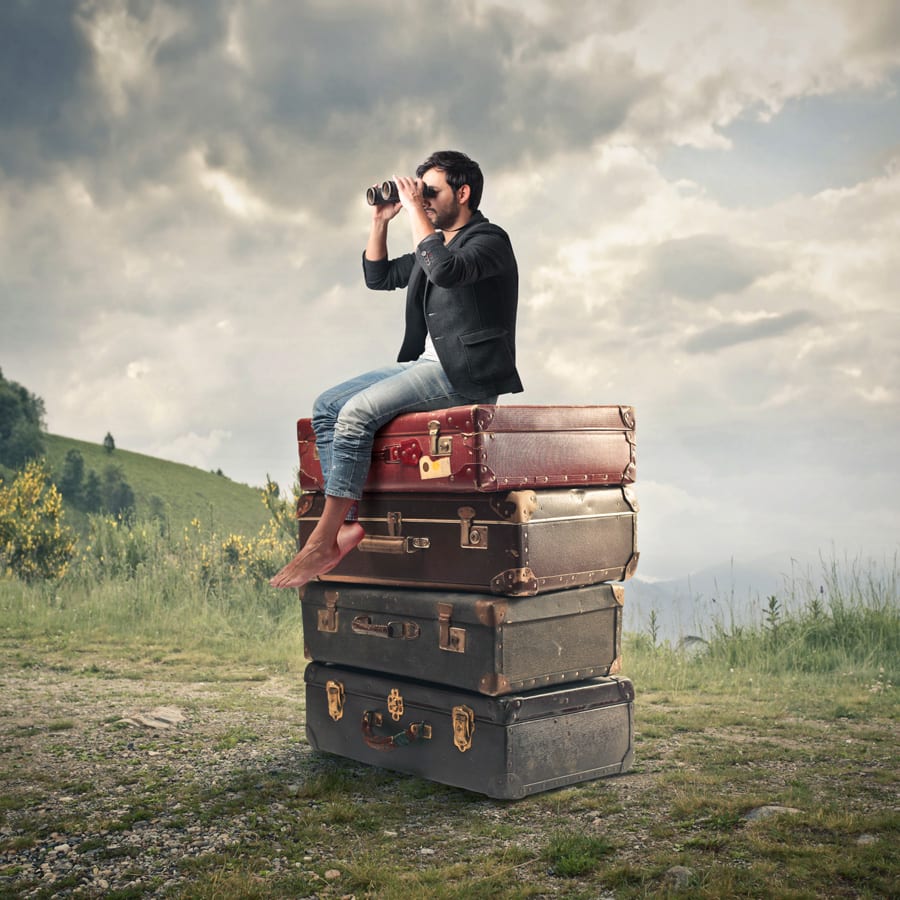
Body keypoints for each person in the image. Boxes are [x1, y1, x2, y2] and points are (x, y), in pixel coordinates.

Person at [270, 150, 522, 589]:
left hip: (463, 375)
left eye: (432, 192)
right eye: (419, 192)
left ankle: (324, 538)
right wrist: (381, 220)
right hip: (428, 367)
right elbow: (379, 275)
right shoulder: (434, 245)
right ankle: (347, 523)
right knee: (327, 406)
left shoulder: (489, 241)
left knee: (355, 414)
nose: (422, 200)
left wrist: (413, 211)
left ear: (463, 193)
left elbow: (445, 271)